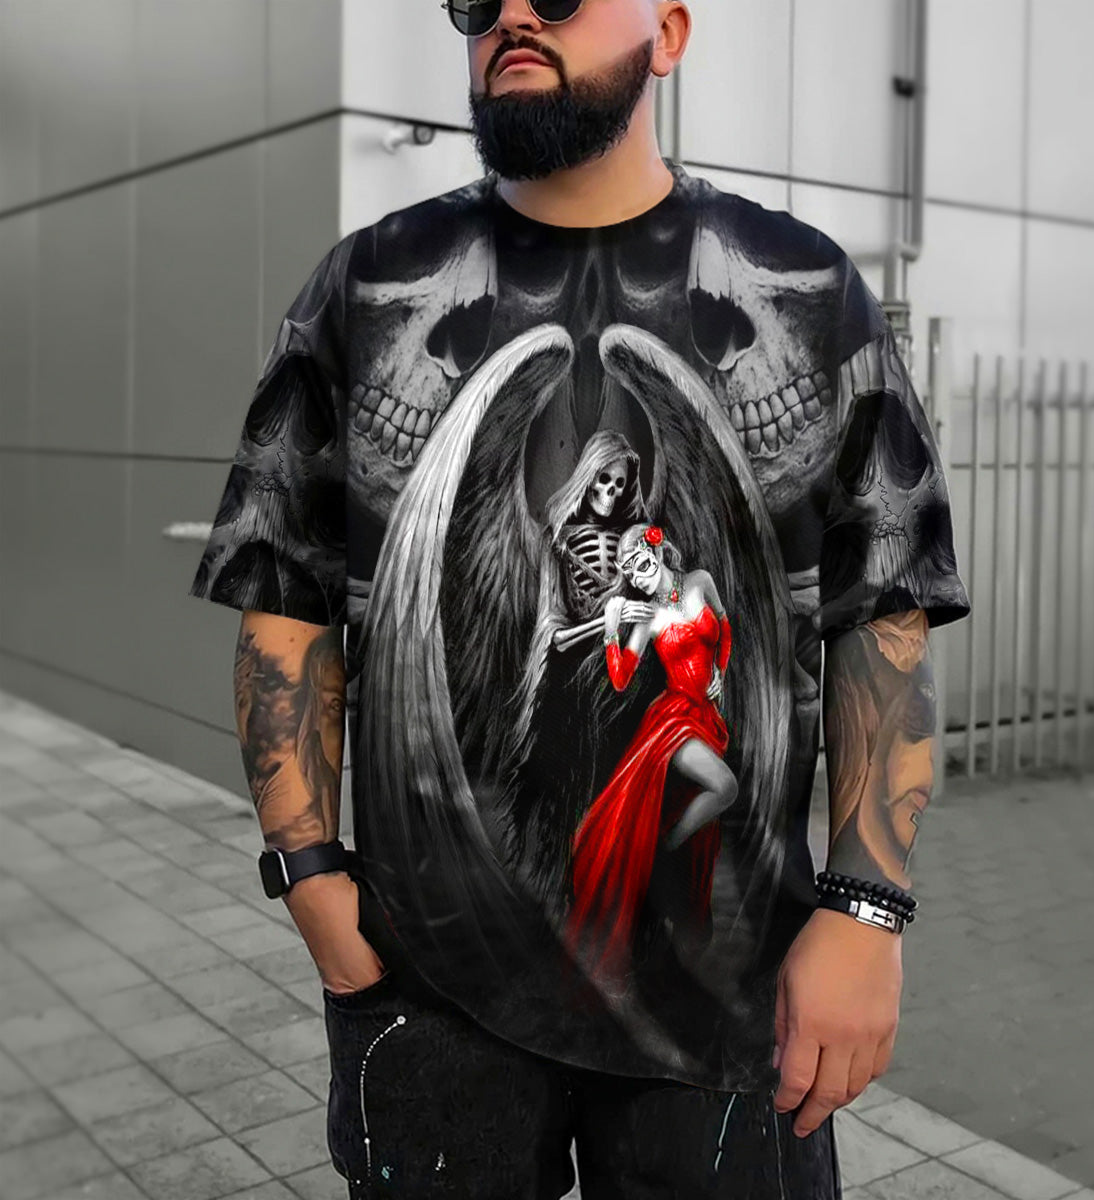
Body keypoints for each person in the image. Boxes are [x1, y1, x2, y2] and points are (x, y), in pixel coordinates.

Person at [186, 1, 972, 1196]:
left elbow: (884, 609)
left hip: (728, 992)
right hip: (431, 982)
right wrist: (309, 877)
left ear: (670, 30)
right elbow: (286, 594)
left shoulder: (812, 289)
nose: (510, 13)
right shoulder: (365, 283)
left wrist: (865, 908)